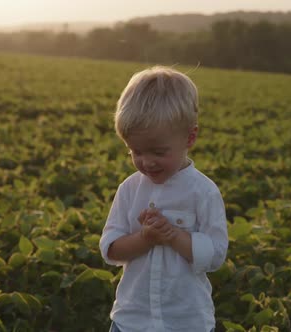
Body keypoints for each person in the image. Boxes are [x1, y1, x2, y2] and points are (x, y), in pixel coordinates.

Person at [99, 66, 229, 332]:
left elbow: (215, 256)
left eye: (158, 151)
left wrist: (173, 236)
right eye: (135, 151)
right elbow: (111, 250)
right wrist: (145, 238)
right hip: (131, 320)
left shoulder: (203, 192)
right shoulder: (129, 190)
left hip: (186, 321)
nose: (146, 161)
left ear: (190, 138)